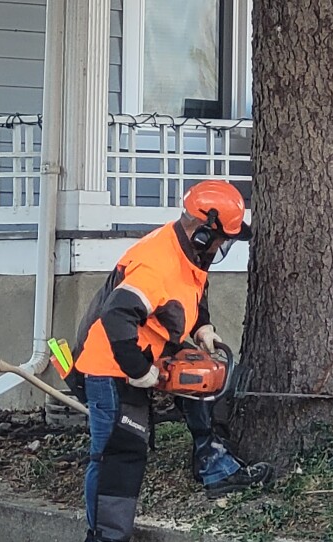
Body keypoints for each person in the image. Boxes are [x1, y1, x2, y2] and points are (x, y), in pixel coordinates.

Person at [68, 180, 273, 542]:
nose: (222, 246)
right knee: (118, 454)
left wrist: (202, 325)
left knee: (209, 377)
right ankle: (103, 536)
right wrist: (140, 370)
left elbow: (193, 287)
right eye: (220, 238)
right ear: (201, 231)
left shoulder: (189, 253)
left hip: (148, 350)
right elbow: (117, 316)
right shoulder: (155, 265)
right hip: (111, 365)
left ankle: (213, 463)